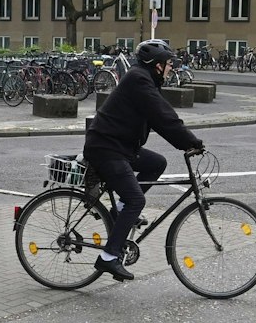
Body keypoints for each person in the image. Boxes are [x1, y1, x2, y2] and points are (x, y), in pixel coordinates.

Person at [82, 38, 204, 281]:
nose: (172, 68)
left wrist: (184, 140)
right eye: (169, 64)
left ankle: (120, 209)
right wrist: (190, 141)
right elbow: (163, 116)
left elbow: (161, 117)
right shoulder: (139, 79)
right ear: (156, 64)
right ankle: (108, 258)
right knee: (136, 199)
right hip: (106, 148)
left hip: (120, 146)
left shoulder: (145, 79)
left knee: (156, 163)